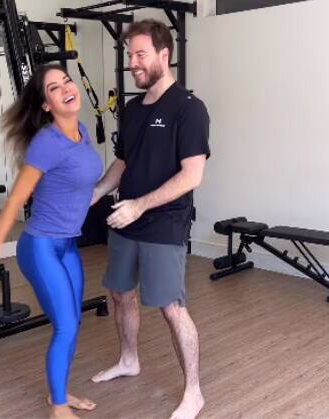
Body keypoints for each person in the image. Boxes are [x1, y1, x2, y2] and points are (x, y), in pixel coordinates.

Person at [88, 19, 210, 419]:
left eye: (140, 54)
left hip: (164, 223)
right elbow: (124, 162)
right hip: (127, 218)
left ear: (164, 54)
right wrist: (96, 192)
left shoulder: (189, 109)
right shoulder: (132, 110)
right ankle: (129, 360)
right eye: (130, 55)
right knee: (121, 293)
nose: (133, 63)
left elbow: (192, 175)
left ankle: (194, 392)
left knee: (171, 307)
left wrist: (141, 205)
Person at [0, 64, 101, 419]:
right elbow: (13, 202)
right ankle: (58, 408)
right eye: (54, 88)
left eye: (67, 81)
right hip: (41, 247)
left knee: (72, 323)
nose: (66, 88)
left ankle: (59, 393)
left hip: (67, 245)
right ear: (45, 105)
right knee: (66, 326)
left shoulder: (82, 132)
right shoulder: (46, 144)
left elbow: (77, 184)